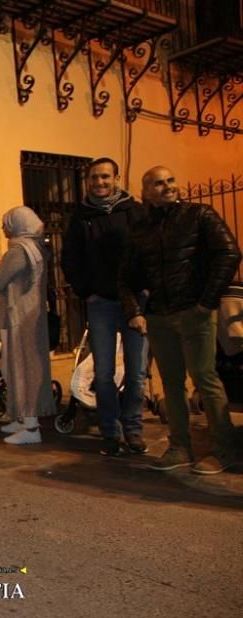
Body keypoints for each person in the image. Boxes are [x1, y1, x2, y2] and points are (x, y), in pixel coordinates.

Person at [119, 165, 242, 475]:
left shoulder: (200, 215)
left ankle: (224, 450)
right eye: (158, 184)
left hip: (194, 312)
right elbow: (126, 278)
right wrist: (135, 311)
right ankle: (179, 448)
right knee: (172, 385)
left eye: (171, 180)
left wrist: (206, 302)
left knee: (205, 379)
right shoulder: (141, 230)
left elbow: (229, 254)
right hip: (159, 316)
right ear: (146, 192)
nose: (167, 187)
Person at [61, 157, 149, 457]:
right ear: (88, 181)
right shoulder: (80, 217)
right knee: (103, 373)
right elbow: (70, 258)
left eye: (105, 177)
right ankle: (110, 431)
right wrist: (87, 291)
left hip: (135, 301)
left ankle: (134, 429)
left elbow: (148, 251)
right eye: (94, 178)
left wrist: (145, 286)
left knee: (137, 371)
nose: (99, 183)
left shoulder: (135, 212)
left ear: (117, 178)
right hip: (101, 303)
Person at [0, 206, 57, 444]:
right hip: (32, 316)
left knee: (24, 369)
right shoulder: (35, 247)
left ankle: (30, 428)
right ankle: (22, 420)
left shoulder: (19, 251)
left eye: (6, 223)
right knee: (21, 369)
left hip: (22, 318)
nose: (3, 228)